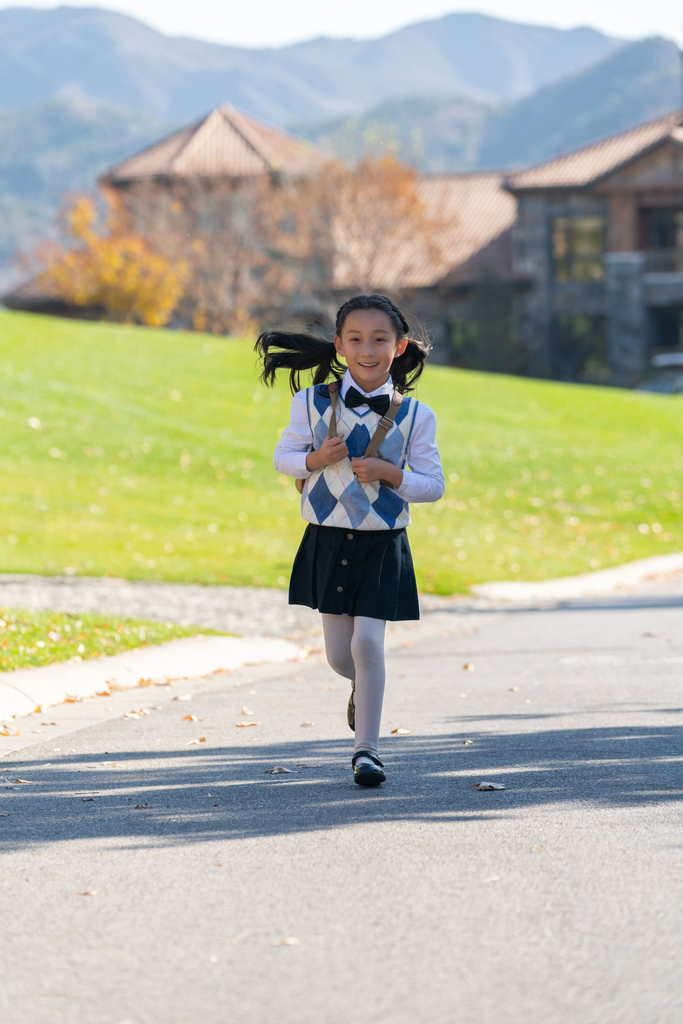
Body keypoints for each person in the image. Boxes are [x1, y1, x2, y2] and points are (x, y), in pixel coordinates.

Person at [256, 294, 445, 787]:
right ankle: (364, 692)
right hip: (327, 540)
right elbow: (283, 458)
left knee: (368, 642)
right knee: (341, 657)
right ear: (339, 345)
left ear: (399, 347)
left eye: (380, 339)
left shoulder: (417, 415)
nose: (368, 349)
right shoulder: (310, 401)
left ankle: (367, 750)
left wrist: (391, 473)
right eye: (356, 339)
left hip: (383, 543)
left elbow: (434, 485)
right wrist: (315, 460)